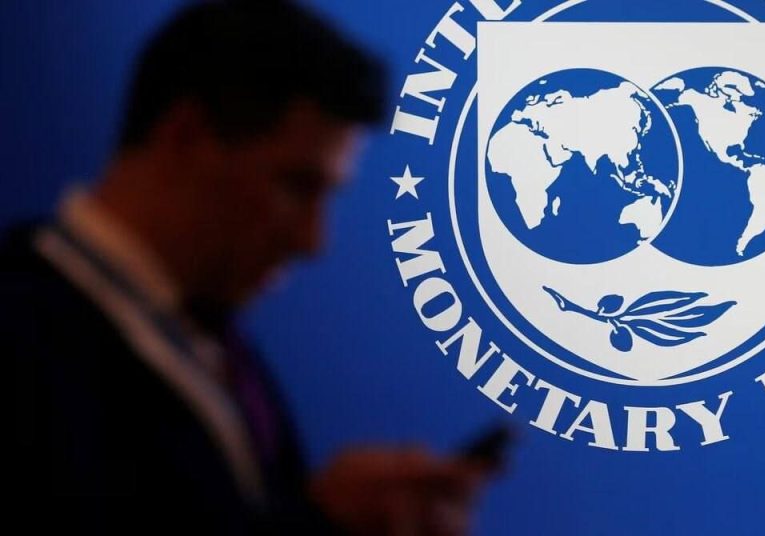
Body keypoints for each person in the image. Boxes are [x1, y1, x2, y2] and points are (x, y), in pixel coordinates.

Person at [4, 1, 488, 533]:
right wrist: (319, 521)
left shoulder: (215, 345)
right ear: (185, 135)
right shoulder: (23, 331)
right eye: (296, 186)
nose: (313, 242)